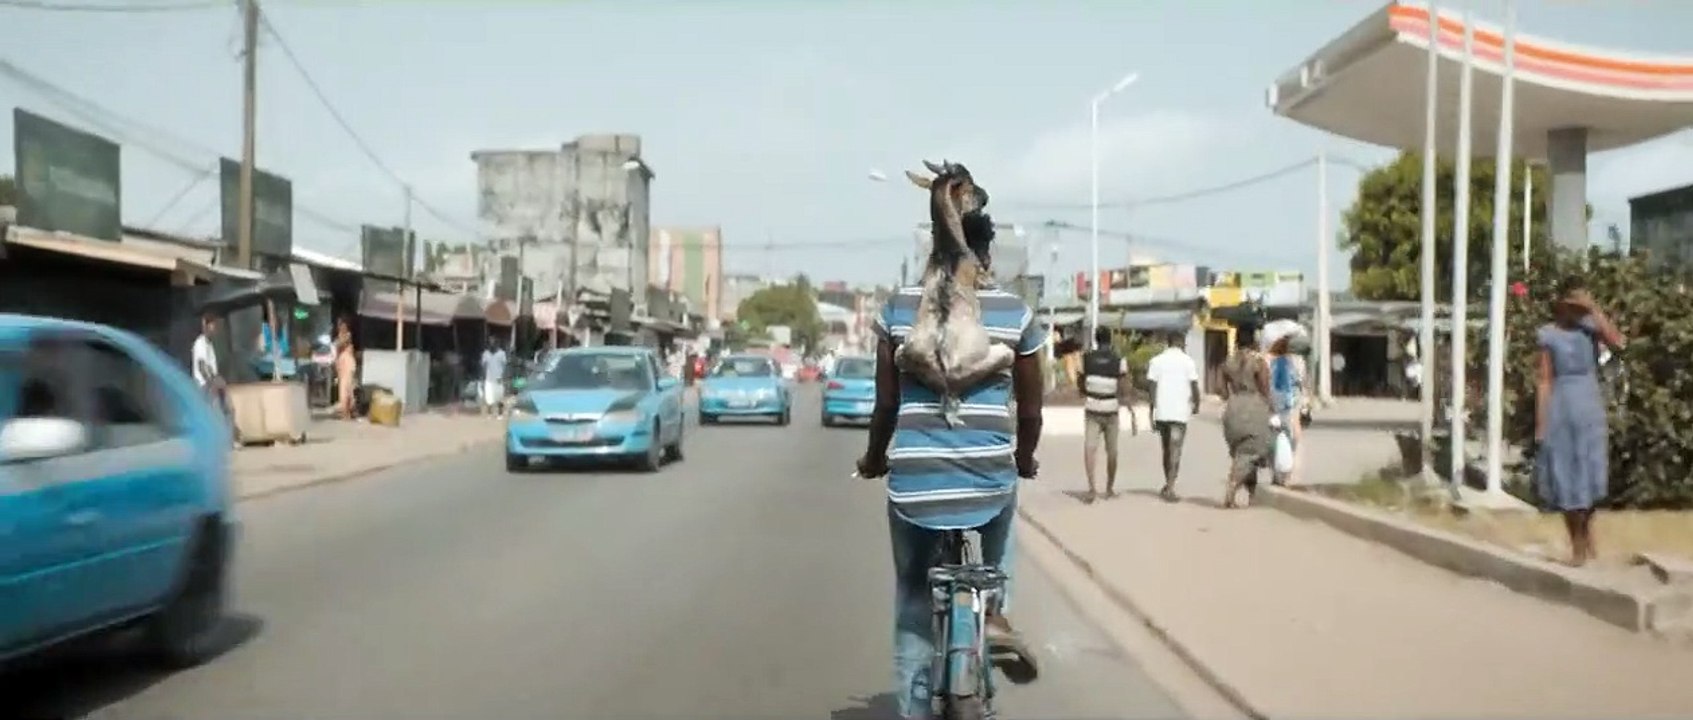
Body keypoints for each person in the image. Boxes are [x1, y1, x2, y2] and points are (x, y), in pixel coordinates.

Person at [855, 226, 1044, 719]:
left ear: (931, 253)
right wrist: (1024, 459)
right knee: (1003, 518)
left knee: (913, 598)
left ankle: (914, 710)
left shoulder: (900, 309)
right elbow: (1030, 411)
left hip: (915, 483)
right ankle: (995, 611)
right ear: (986, 255)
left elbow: (886, 405)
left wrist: (874, 459)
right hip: (989, 478)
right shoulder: (1014, 312)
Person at [1534, 277, 1625, 567]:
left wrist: (1593, 309)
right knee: (1565, 474)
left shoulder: (1590, 330)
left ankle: (1587, 534)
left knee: (1589, 471)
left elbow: (1618, 342)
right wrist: (1541, 422)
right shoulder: (1548, 335)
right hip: (1561, 404)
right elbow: (1545, 380)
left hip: (1588, 403)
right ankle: (1576, 542)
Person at [1219, 328, 1273, 509]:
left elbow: (1222, 391)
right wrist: (1271, 407)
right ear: (1254, 342)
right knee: (1252, 451)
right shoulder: (1258, 362)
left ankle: (1252, 494)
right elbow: (1265, 388)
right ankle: (1233, 485)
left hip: (1233, 407)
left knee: (1243, 453)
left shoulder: (1227, 363)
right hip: (1254, 406)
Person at [1146, 332, 1201, 502]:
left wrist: (1152, 410)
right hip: (1180, 413)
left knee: (1166, 449)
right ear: (1182, 343)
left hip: (1163, 412)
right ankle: (1170, 486)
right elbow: (1194, 385)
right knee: (1175, 449)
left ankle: (1168, 483)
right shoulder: (1188, 362)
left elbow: (1152, 388)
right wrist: (1197, 404)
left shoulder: (1156, 361)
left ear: (1168, 343)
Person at [1076, 326, 1128, 502]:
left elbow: (1080, 380)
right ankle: (1109, 488)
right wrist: (1128, 405)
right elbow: (1123, 386)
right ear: (1110, 340)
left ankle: (1092, 489)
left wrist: (1085, 392)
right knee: (1112, 451)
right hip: (1111, 409)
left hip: (1092, 408)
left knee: (1090, 449)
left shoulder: (1086, 358)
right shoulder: (1118, 359)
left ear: (1096, 340)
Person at [1266, 336, 1305, 486]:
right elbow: (1299, 385)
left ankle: (1277, 475)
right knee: (1292, 439)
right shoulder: (1296, 362)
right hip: (1289, 406)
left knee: (1274, 440)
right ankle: (1287, 475)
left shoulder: (1271, 361)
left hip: (1275, 405)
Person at [192, 313, 236, 445]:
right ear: (205, 326)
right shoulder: (200, 343)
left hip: (212, 382)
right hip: (204, 385)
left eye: (215, 327)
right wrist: (212, 383)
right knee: (215, 412)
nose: (214, 330)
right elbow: (202, 366)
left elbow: (211, 367)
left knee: (228, 409)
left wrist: (218, 379)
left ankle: (228, 439)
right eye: (211, 326)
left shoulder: (209, 344)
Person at [333, 318, 358, 420]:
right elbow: (337, 350)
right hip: (342, 364)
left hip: (347, 364)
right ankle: (346, 412)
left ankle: (348, 412)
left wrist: (337, 344)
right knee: (343, 389)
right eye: (339, 326)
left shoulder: (347, 336)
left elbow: (341, 345)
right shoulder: (340, 337)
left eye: (342, 326)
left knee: (348, 388)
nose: (341, 328)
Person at [481, 338, 509, 417]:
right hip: (489, 378)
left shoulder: (502, 353)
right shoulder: (486, 353)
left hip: (498, 378)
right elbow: (484, 366)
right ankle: (490, 413)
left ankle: (500, 413)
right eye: (490, 343)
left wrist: (504, 377)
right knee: (489, 397)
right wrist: (483, 377)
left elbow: (505, 366)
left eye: (493, 343)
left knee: (499, 396)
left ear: (497, 344)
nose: (492, 345)